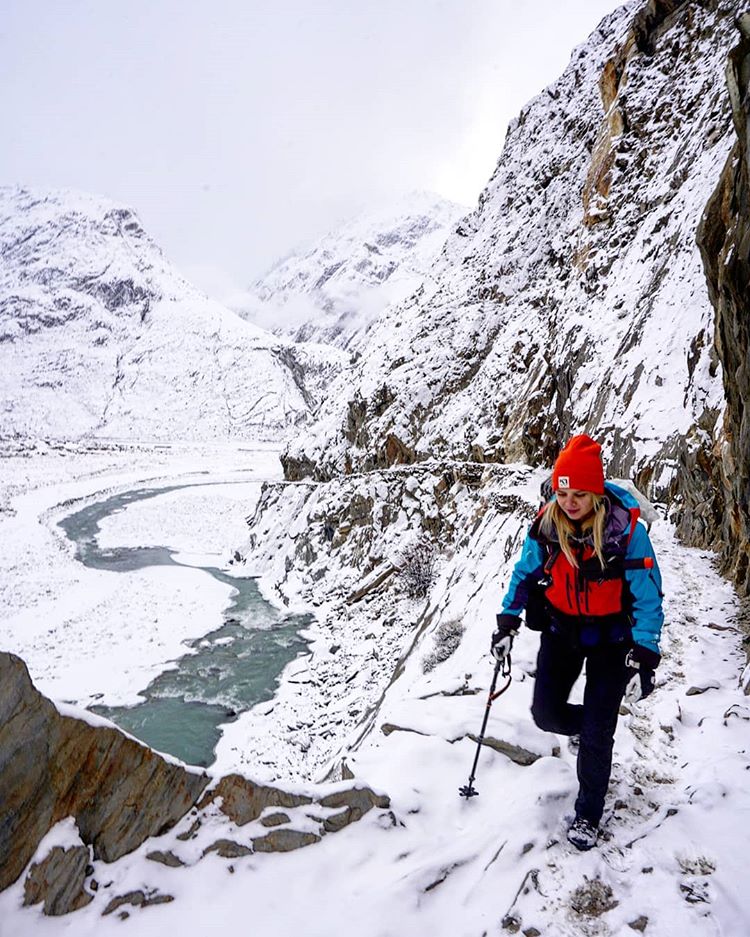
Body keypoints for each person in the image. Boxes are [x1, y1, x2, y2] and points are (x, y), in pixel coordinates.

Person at [491, 435, 664, 851]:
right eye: (563, 492)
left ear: (597, 492)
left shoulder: (627, 534)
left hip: (612, 640)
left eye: (579, 494)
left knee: (597, 731)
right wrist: (506, 620)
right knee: (546, 714)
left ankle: (588, 812)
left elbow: (647, 594)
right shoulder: (547, 527)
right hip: (562, 631)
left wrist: (646, 651)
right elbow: (524, 573)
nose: (569, 502)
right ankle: (591, 727)